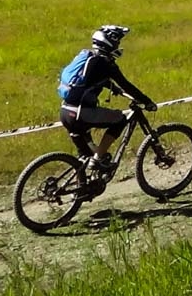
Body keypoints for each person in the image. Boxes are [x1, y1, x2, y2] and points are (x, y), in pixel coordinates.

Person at [58, 25, 157, 194]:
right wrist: (147, 102)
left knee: (83, 156)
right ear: (110, 43)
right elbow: (127, 84)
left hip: (66, 112)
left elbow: (91, 80)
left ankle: (81, 189)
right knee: (120, 120)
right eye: (117, 42)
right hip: (83, 113)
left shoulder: (86, 56)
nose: (118, 45)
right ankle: (98, 159)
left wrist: (114, 88)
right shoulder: (106, 63)